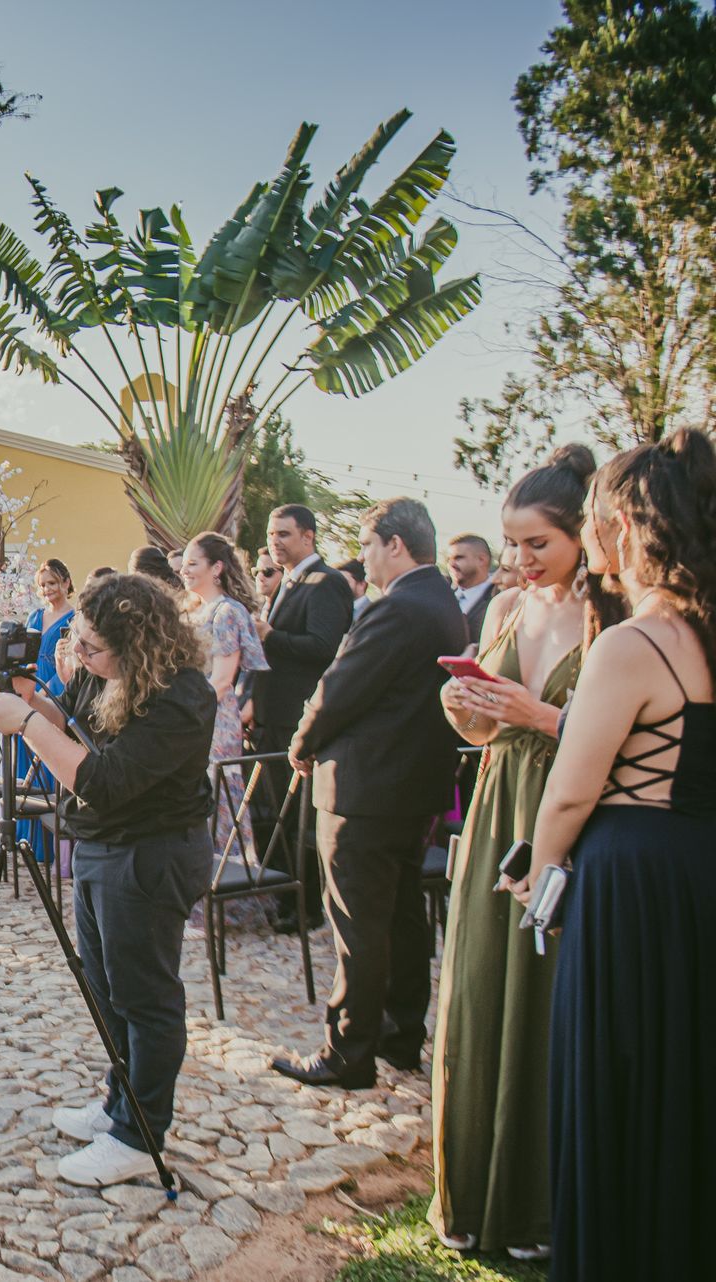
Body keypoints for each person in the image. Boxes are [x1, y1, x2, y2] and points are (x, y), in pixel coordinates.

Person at [509, 429, 716, 1282]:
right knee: (685, 1077)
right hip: (697, 871)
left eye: (593, 517)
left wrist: (538, 879)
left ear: (624, 527)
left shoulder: (636, 643)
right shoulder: (705, 634)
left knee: (616, 1077)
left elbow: (569, 790)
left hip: (628, 879)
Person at [0, 572, 216, 1185]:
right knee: (106, 988)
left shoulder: (182, 696)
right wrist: (27, 697)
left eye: (91, 647)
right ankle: (121, 1101)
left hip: (151, 854)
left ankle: (141, 1135)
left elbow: (103, 781)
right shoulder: (102, 669)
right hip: (100, 845)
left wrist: (25, 724)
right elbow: (70, 721)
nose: (81, 655)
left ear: (136, 646)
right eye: (77, 642)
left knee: (145, 996)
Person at [428, 446, 594, 1258]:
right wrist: (468, 705)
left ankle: (540, 1207)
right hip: (499, 807)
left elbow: (627, 736)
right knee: (482, 986)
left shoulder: (613, 615)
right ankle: (472, 1195)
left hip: (573, 810)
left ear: (583, 536)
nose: (522, 560)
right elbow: (481, 730)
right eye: (513, 543)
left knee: (551, 996)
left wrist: (540, 715)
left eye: (539, 544)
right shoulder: (501, 609)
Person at [272, 498, 465, 1089]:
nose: (364, 558)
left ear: (395, 545)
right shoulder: (442, 602)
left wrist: (302, 741)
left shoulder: (396, 607)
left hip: (366, 788)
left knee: (357, 925)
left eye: (367, 546)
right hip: (413, 786)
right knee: (401, 916)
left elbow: (340, 687)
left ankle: (347, 1052)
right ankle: (399, 1036)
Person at [252, 505, 353, 931]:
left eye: (284, 534)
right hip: (271, 717)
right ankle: (283, 897)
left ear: (308, 536)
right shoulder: (288, 582)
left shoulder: (326, 582)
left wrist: (271, 636)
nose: (275, 542)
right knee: (276, 814)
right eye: (271, 534)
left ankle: (306, 906)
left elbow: (324, 648)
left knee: (297, 818)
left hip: (298, 716)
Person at [180, 533, 268, 857]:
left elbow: (221, 679)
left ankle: (226, 871)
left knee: (217, 797)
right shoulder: (193, 611)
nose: (184, 571)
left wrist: (184, 713)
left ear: (216, 568)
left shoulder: (227, 612)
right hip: (191, 715)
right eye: (184, 564)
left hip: (212, 720)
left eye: (193, 563)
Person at [15, 560, 77, 861]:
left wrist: (43, 691)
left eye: (52, 583)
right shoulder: (35, 616)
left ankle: (52, 845)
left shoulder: (74, 618)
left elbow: (71, 663)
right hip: (29, 688)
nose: (47, 589)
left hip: (56, 689)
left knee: (50, 760)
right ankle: (27, 838)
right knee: (27, 761)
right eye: (42, 585)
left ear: (65, 582)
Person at [447, 532, 498, 644]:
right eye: (448, 559)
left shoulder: (498, 596)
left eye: (458, 558)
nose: (451, 564)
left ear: (481, 560)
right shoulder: (444, 594)